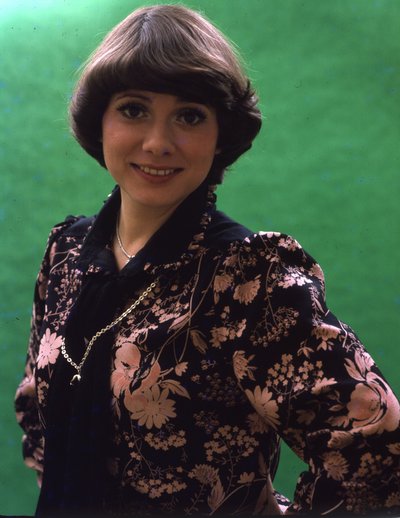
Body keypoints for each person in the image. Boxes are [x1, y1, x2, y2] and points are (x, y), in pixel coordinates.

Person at [15, 4, 400, 517]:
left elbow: (378, 455)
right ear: (99, 122)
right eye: (133, 109)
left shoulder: (249, 276)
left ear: (222, 135)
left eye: (190, 116)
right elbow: (38, 412)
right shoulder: (66, 253)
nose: (158, 142)